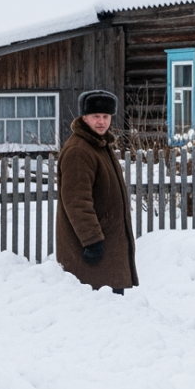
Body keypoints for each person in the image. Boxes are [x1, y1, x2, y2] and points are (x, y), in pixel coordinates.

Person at [56, 90, 139, 294]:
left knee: (111, 307)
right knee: (98, 308)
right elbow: (76, 201)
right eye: (96, 116)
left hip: (108, 250)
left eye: (106, 116)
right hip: (93, 254)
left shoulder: (99, 145)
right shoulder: (79, 151)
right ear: (84, 117)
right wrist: (92, 240)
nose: (101, 122)